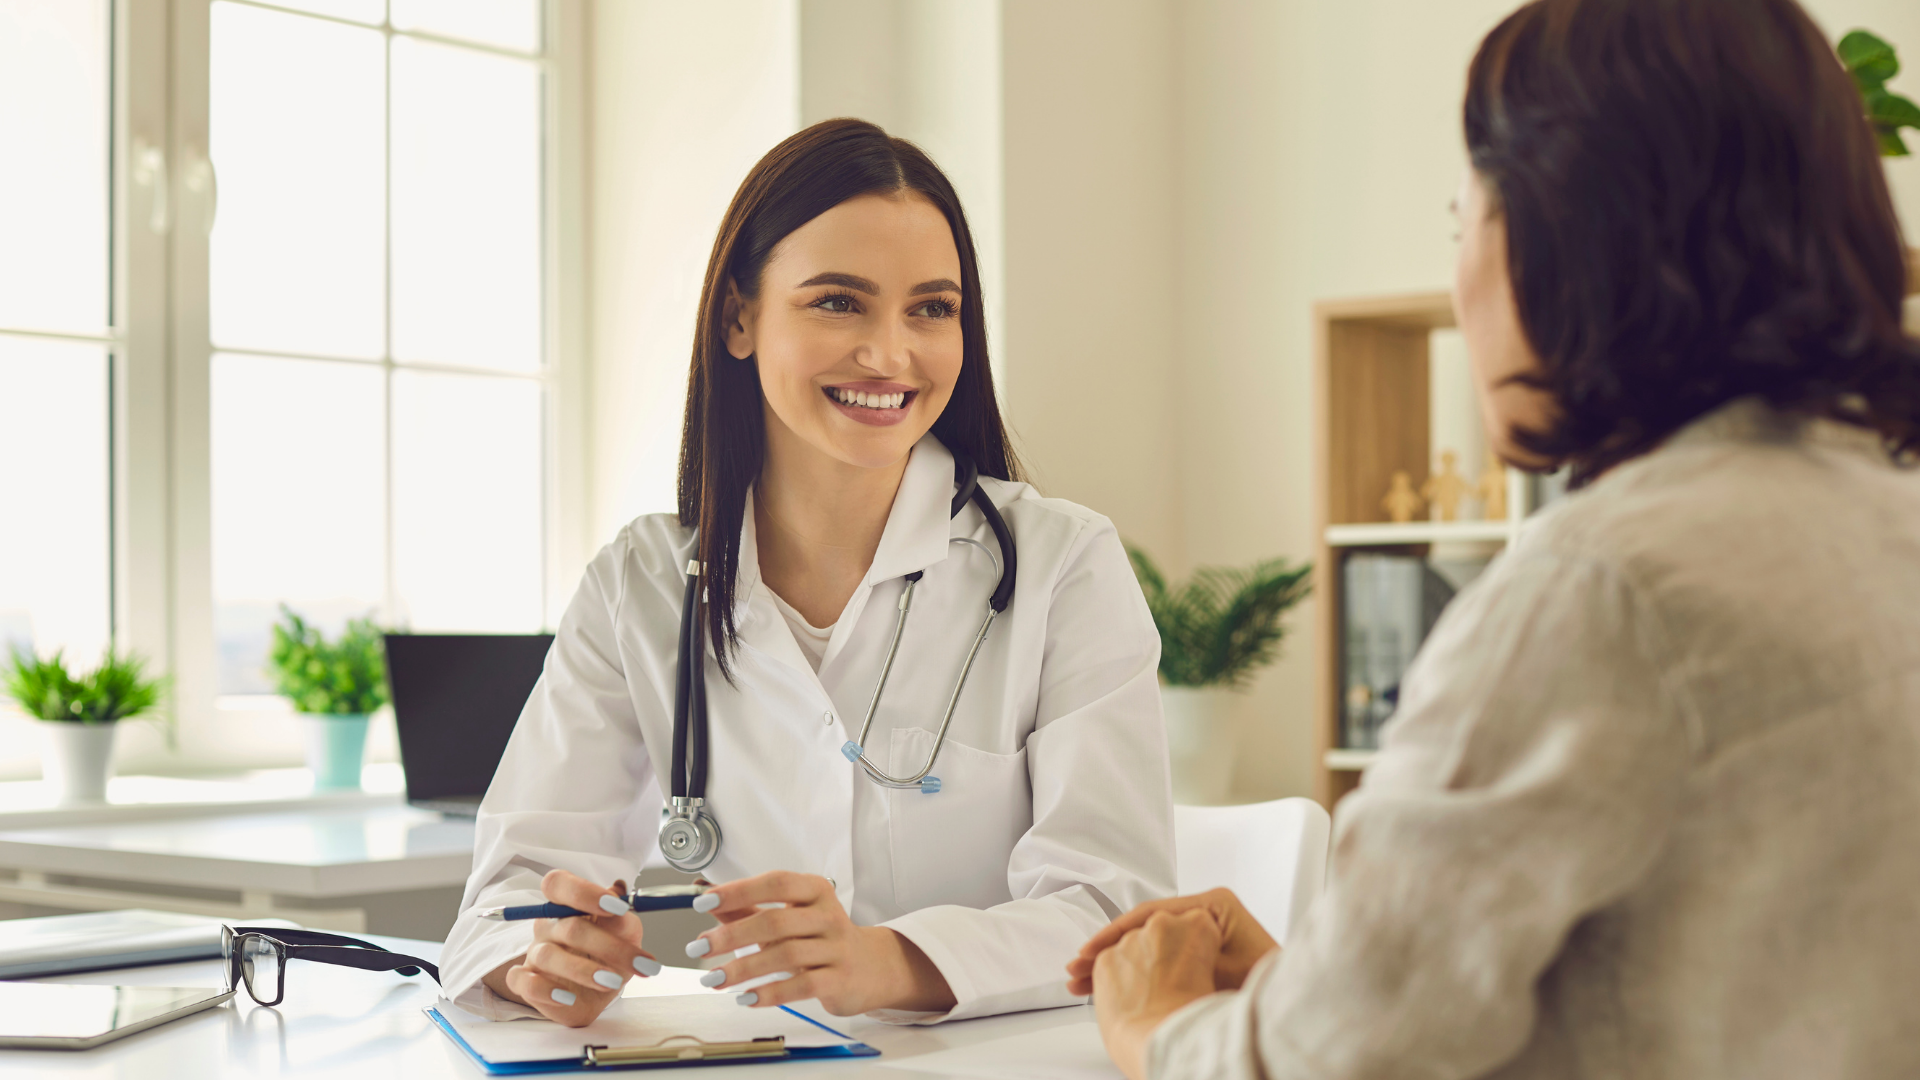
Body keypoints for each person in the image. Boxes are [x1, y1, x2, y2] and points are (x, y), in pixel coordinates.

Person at [1070, 0, 1920, 1076]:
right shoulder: (1885, 516)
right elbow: (1709, 980)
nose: (1461, 277)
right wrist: (1312, 982)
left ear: (1565, 238)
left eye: (1459, 221)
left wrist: (1156, 1026)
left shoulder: (1602, 590)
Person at [437, 118, 1174, 1028]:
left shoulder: (1063, 565)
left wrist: (887, 961)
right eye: (839, 302)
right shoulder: (643, 583)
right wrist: (538, 956)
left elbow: (1113, 906)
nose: (890, 354)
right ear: (740, 318)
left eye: (932, 309)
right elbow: (508, 890)